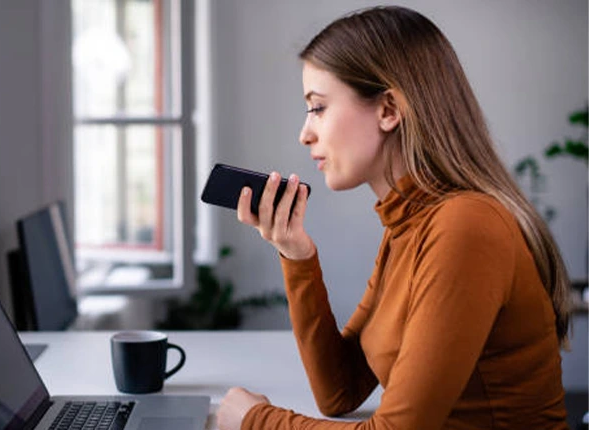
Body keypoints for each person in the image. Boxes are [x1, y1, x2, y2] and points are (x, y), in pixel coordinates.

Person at [216, 6, 571, 430]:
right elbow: (340, 390)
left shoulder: (464, 227)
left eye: (318, 108)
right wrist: (296, 254)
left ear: (388, 109)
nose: (305, 132)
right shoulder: (409, 228)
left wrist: (254, 420)